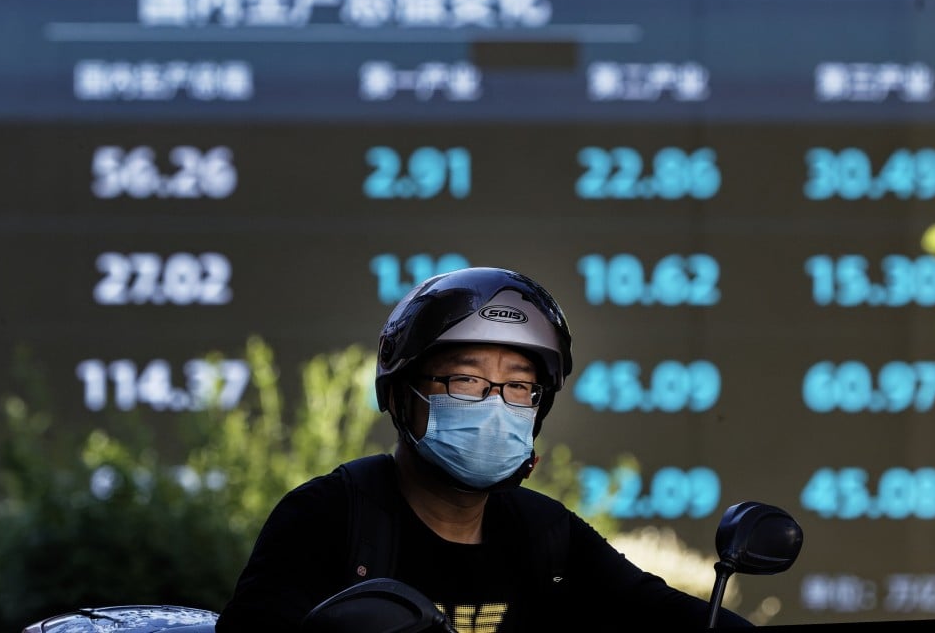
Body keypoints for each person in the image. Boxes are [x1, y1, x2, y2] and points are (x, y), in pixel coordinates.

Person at [216, 267, 751, 630]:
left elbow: (658, 613)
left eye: (518, 386)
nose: (496, 402)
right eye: (465, 381)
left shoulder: (547, 534)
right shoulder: (326, 517)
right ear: (403, 394)